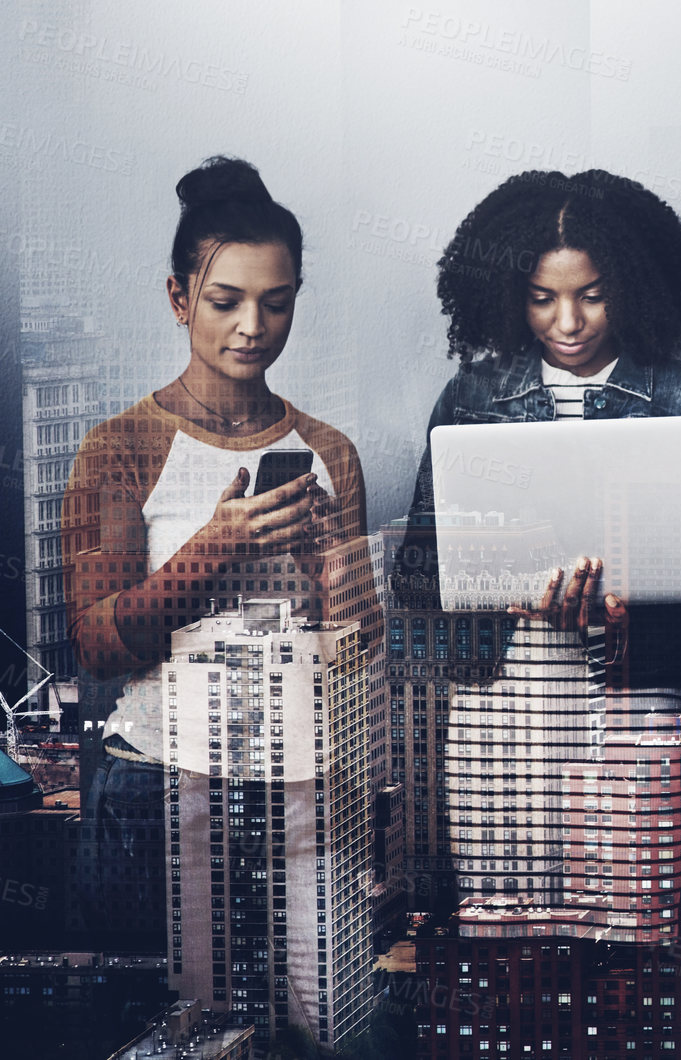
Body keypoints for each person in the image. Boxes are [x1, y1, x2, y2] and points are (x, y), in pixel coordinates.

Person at [63, 155, 372, 942]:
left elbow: (360, 657)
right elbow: (97, 646)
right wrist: (212, 550)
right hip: (159, 786)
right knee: (157, 1025)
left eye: (276, 303)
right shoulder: (121, 448)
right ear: (179, 298)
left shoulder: (329, 452)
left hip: (300, 785)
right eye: (226, 301)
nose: (252, 327)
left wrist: (335, 566)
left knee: (303, 1029)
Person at [395, 168, 681, 696]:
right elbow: (417, 583)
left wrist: (617, 623)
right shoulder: (470, 398)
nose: (568, 323)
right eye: (542, 298)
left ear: (632, 287)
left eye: (592, 296)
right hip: (502, 693)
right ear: (509, 295)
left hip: (637, 693)